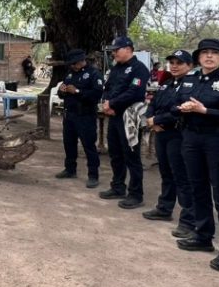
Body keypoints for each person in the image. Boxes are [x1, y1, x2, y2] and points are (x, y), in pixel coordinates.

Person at [175, 38, 219, 272]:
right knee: (198, 189)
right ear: (198, 57)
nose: (209, 57)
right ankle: (203, 235)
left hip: (217, 140)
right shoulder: (189, 78)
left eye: (214, 53)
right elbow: (176, 103)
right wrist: (182, 108)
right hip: (191, 138)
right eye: (205, 53)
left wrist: (205, 110)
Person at [142, 50, 197, 237]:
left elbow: (180, 111)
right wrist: (151, 119)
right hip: (161, 133)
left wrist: (158, 119)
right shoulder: (167, 84)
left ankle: (189, 220)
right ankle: (164, 208)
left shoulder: (191, 85)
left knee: (181, 177)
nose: (174, 66)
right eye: (172, 62)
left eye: (179, 63)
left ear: (190, 66)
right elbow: (153, 103)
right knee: (166, 173)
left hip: (178, 134)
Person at [97, 37, 150, 203]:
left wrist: (112, 103)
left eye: (116, 50)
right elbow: (108, 87)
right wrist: (106, 103)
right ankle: (118, 186)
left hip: (130, 117)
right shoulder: (116, 68)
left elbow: (134, 92)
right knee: (115, 154)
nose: (114, 53)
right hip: (114, 115)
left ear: (128, 49)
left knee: (131, 156)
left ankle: (135, 194)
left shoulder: (139, 68)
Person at [53, 49, 104, 186]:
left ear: (81, 61)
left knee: (88, 146)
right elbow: (61, 92)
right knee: (69, 144)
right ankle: (70, 169)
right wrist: (62, 91)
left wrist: (77, 91)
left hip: (85, 116)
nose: (71, 66)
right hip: (69, 114)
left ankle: (93, 175)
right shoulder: (69, 74)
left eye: (73, 63)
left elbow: (96, 94)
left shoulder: (93, 74)